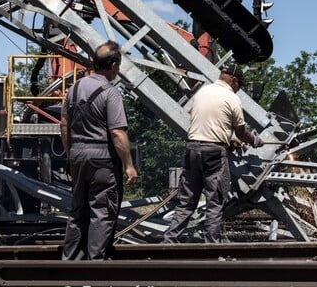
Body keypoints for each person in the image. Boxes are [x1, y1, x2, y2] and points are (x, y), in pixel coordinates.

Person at [163, 63, 264, 243]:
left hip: (192, 149)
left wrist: (225, 136)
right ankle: (211, 245)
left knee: (186, 201)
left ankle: (170, 241)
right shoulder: (232, 98)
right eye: (239, 84)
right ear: (233, 80)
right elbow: (241, 133)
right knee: (215, 202)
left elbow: (195, 114)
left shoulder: (203, 91)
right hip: (214, 153)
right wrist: (254, 140)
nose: (238, 88)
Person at [60, 40, 138, 260]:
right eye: (118, 65)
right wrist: (129, 166)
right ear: (113, 64)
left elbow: (63, 125)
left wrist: (70, 154)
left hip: (77, 156)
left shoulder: (74, 89)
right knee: (102, 211)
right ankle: (96, 264)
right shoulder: (110, 92)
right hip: (102, 161)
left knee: (78, 211)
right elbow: (117, 133)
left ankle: (71, 263)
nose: (118, 70)